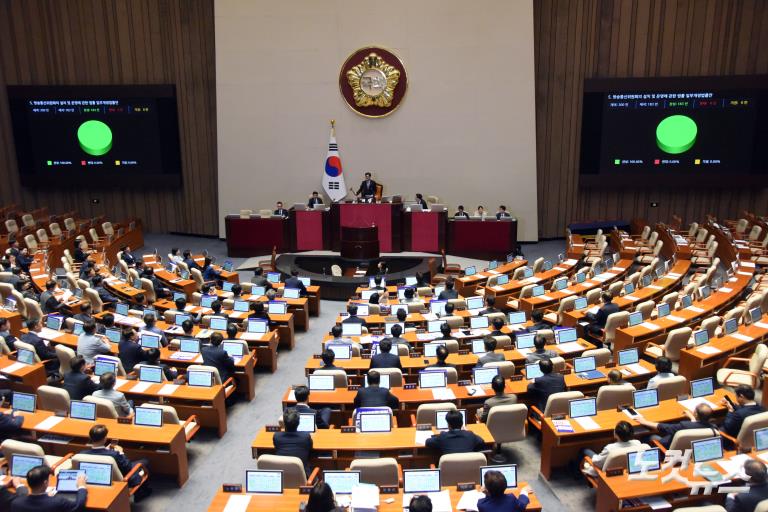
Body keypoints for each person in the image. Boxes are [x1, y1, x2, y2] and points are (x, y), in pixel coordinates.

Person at [81, 424, 151, 499]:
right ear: (105, 438)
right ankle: (141, 493)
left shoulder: (82, 454)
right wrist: (121, 452)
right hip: (121, 480)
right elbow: (128, 467)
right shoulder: (114, 454)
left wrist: (106, 450)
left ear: (90, 438)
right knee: (145, 461)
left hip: (95, 480)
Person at [635, 403, 716, 449]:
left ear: (696, 414)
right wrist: (692, 417)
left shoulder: (684, 426)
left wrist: (644, 422)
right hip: (693, 450)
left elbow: (663, 427)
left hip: (667, 448)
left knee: (649, 437)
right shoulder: (713, 428)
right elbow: (697, 426)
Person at [10, 465, 87, 511]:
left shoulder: (16, 503)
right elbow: (78, 506)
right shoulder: (57, 502)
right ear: (45, 482)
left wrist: (19, 485)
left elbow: (23, 495)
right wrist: (81, 486)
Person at [273, 410, 313, 475]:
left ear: (284, 423)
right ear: (299, 423)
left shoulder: (277, 436)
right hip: (303, 477)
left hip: (282, 476)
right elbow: (311, 451)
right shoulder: (305, 437)